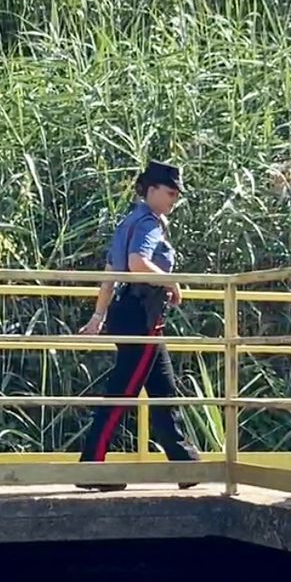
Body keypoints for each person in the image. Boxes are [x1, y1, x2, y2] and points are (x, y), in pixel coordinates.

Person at [75, 159, 200, 490]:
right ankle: (92, 468)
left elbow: (110, 272)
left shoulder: (128, 221)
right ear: (153, 190)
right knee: (124, 391)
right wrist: (172, 282)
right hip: (141, 316)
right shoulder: (148, 223)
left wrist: (98, 316)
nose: (175, 199)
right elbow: (136, 264)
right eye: (171, 192)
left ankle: (185, 464)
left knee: (162, 390)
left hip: (135, 313)